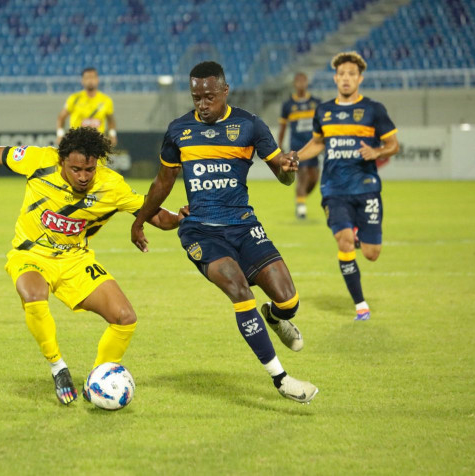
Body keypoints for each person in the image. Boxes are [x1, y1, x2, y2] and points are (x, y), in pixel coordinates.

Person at [0, 127, 182, 405]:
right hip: (30, 255)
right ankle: (58, 367)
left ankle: (96, 379)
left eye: (89, 169)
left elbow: (157, 217)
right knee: (34, 295)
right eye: (76, 169)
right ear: (61, 160)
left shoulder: (112, 186)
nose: (84, 177)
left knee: (125, 318)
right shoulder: (38, 160)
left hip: (75, 261)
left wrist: (181, 218)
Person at [131, 61, 318, 404]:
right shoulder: (179, 131)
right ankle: (281, 380)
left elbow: (283, 174)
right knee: (239, 291)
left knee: (289, 300)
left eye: (209, 96)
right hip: (201, 230)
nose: (202, 103)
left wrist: (290, 170)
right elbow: (162, 183)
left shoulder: (249, 125)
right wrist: (140, 219)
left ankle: (275, 317)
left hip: (244, 226)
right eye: (196, 97)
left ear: (225, 91)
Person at [296, 52, 399, 321]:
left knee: (371, 254)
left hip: (366, 188)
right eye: (341, 74)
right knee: (343, 242)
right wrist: (294, 156)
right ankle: (361, 306)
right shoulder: (324, 111)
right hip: (334, 189)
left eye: (351, 74)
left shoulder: (374, 110)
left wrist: (377, 152)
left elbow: (393, 145)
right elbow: (318, 143)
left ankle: (355, 230)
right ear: (335, 78)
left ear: (360, 78)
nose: (346, 78)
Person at [278, 72, 321, 219]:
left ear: (307, 83)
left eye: (304, 81)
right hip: (296, 147)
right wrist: (279, 144)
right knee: (302, 176)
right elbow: (283, 127)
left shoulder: (316, 102)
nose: (301, 84)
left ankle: (300, 198)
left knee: (314, 178)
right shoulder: (288, 105)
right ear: (294, 84)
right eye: (298, 81)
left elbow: (323, 125)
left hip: (313, 146)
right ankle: (301, 209)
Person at [56, 68, 117, 147]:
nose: (90, 80)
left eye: (93, 77)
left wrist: (112, 134)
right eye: (87, 78)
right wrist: (60, 134)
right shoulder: (74, 98)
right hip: (76, 142)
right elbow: (61, 117)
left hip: (97, 143)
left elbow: (111, 120)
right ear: (82, 81)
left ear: (97, 79)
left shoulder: (106, 100)